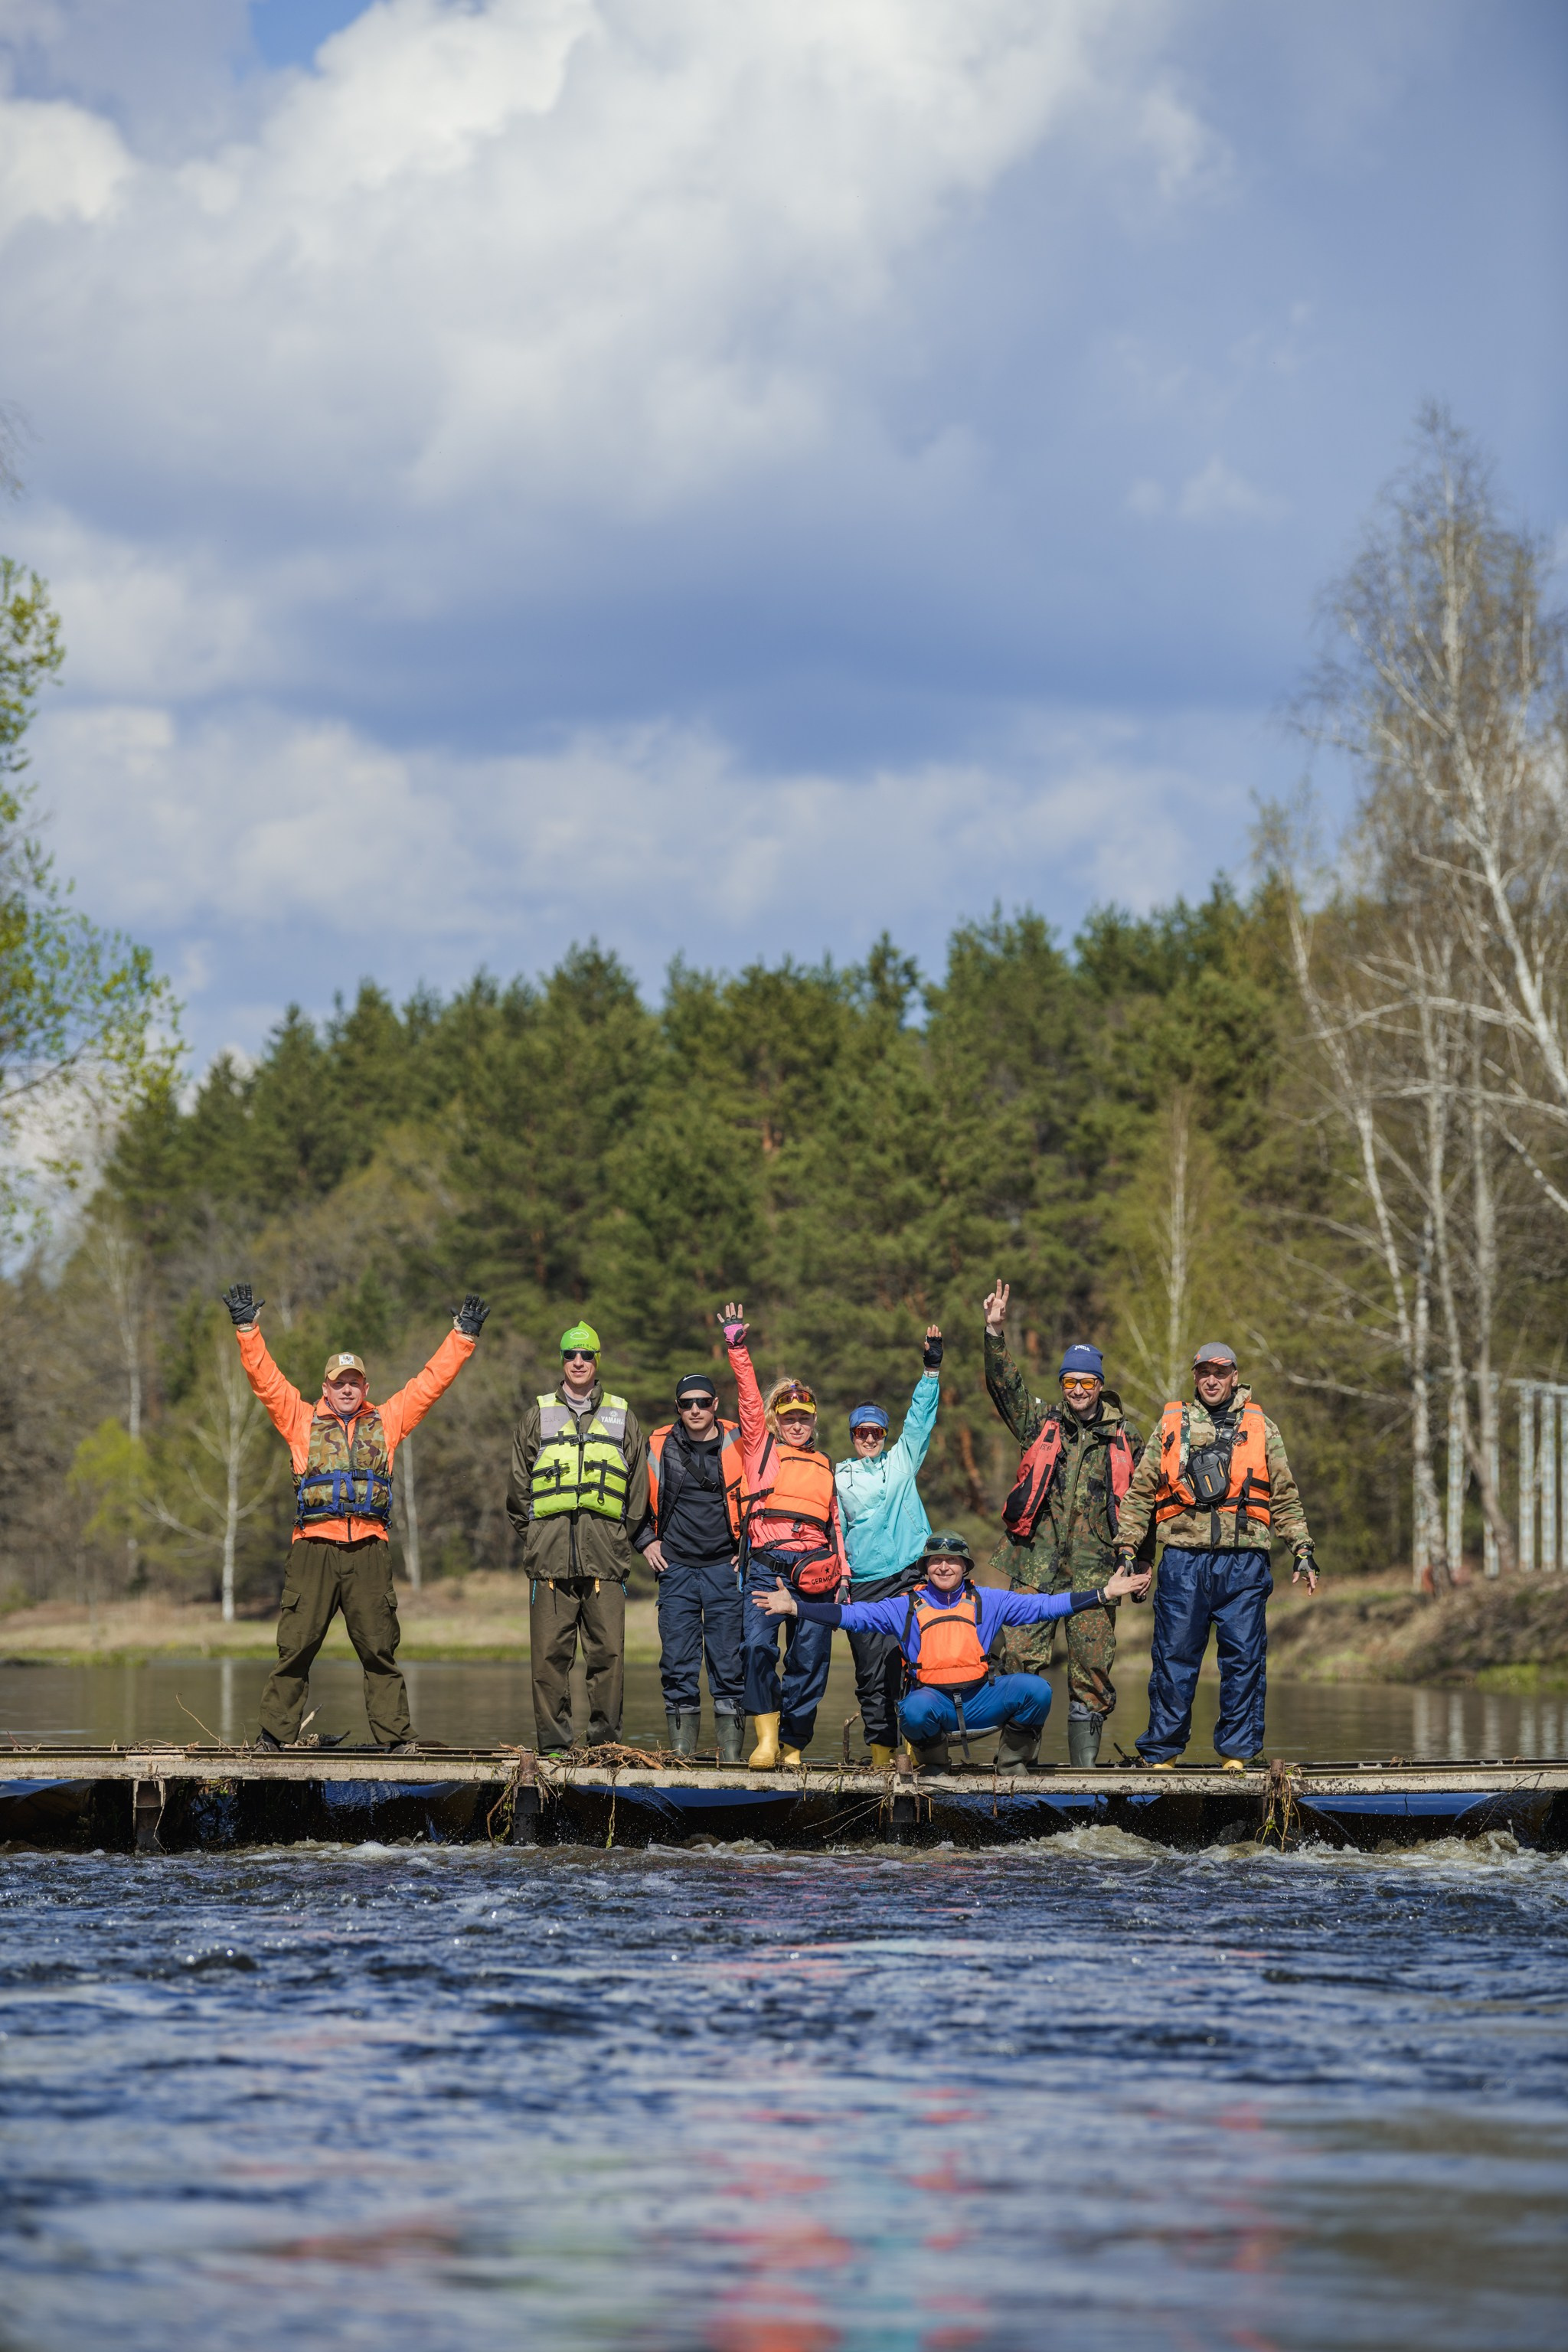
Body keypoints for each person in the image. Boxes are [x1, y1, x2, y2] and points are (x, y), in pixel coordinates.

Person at [221, 1282, 489, 1751]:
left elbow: (430, 1383)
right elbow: (266, 1380)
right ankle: (274, 1737)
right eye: (339, 1383)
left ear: (365, 1388)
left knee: (379, 1650)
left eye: (354, 1383)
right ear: (326, 1387)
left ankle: (396, 1739)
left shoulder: (388, 1421)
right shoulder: (300, 1420)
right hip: (313, 1549)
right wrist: (248, 1330)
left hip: (369, 1550)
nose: (347, 1389)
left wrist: (462, 1337)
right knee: (296, 1646)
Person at [753, 1529, 1148, 1772]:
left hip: (981, 1700)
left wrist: (1104, 1593)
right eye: (936, 1561)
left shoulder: (990, 1600)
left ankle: (1012, 1764)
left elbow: (1047, 1606)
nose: (944, 1567)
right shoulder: (903, 1606)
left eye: (952, 1561)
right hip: (934, 1706)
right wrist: (796, 1608)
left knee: (1037, 1690)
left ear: (965, 1567)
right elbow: (851, 1615)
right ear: (926, 1568)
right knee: (911, 1710)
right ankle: (935, 1763)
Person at [1112, 1341, 1318, 1770]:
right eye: (1204, 1372)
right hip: (1183, 1561)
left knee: (1244, 1660)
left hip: (1244, 1564)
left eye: (1220, 1373)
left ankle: (1237, 1755)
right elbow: (1141, 1492)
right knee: (1173, 1658)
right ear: (1195, 1377)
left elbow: (1284, 1496)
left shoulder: (1263, 1427)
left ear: (1234, 1377)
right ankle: (1163, 1755)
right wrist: (1128, 1548)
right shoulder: (1172, 1424)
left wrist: (1302, 1549)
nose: (1211, 1380)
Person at [983, 1280, 1149, 1768]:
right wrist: (995, 1334)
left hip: (1099, 1575)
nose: (1077, 1391)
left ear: (1100, 1386)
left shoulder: (1127, 1438)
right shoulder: (1040, 1423)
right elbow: (1005, 1388)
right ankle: (1014, 1767)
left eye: (1087, 1383)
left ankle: (1084, 1774)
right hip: (1034, 1569)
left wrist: (1143, 1563)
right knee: (1019, 1663)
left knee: (1093, 1670)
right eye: (1070, 1382)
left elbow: (1145, 1506)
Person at [505, 1322, 649, 1754]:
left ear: (597, 1360)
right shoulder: (536, 1416)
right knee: (549, 1658)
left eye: (586, 1355)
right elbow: (518, 1491)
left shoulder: (624, 1417)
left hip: (606, 1558)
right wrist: (536, 1538)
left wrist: (619, 1538)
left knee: (608, 1657)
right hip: (549, 1559)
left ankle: (605, 1746)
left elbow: (638, 1492)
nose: (579, 1362)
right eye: (571, 1355)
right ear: (562, 1360)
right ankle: (555, 1746)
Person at [720, 1300, 848, 1771]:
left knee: (809, 1658)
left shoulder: (826, 1464)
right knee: (757, 1647)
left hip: (816, 1572)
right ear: (776, 1421)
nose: (797, 1424)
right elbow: (749, 1401)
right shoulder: (760, 1447)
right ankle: (766, 1739)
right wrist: (738, 1348)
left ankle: (793, 1744)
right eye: (789, 1417)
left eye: (804, 1418)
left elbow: (835, 1524)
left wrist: (845, 1577)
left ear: (814, 1421)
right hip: (765, 1568)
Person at [834, 1326, 943, 1769]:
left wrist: (931, 1370)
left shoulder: (902, 1461)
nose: (869, 1439)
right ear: (852, 1435)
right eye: (862, 1432)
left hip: (909, 1576)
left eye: (876, 1432)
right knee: (871, 1674)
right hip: (863, 1584)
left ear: (884, 1434)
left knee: (916, 1665)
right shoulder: (838, 1476)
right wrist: (839, 1579)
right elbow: (833, 1530)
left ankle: (917, 1749)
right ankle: (882, 1754)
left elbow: (919, 1420)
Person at [637, 1373, 746, 1760]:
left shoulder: (740, 1440)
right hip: (677, 1569)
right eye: (687, 1403)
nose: (695, 1409)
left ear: (716, 1404)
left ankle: (730, 1753)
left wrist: (749, 1547)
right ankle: (682, 1751)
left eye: (702, 1402)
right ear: (678, 1407)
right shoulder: (657, 1444)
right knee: (677, 1662)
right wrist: (644, 1540)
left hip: (725, 1568)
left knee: (729, 1662)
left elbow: (764, 1496)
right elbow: (631, 1497)